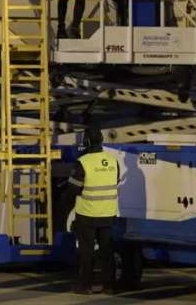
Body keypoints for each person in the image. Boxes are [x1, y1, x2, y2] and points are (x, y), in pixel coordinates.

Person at [67, 126, 120, 295]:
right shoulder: (113, 160)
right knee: (106, 251)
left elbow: (73, 189)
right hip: (108, 213)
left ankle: (85, 286)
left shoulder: (83, 162)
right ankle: (109, 286)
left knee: (87, 252)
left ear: (87, 142)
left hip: (88, 214)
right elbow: (115, 181)